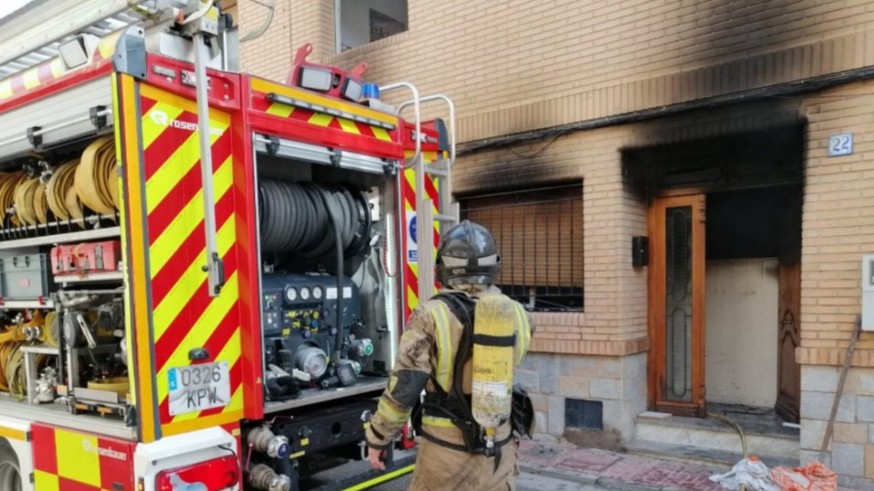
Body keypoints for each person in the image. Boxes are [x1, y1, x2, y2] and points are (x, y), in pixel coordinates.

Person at [365, 220, 534, 490]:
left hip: (447, 456)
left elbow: (404, 389)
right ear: (494, 267)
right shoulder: (518, 313)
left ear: (442, 270)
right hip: (500, 450)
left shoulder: (429, 316)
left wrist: (378, 438)